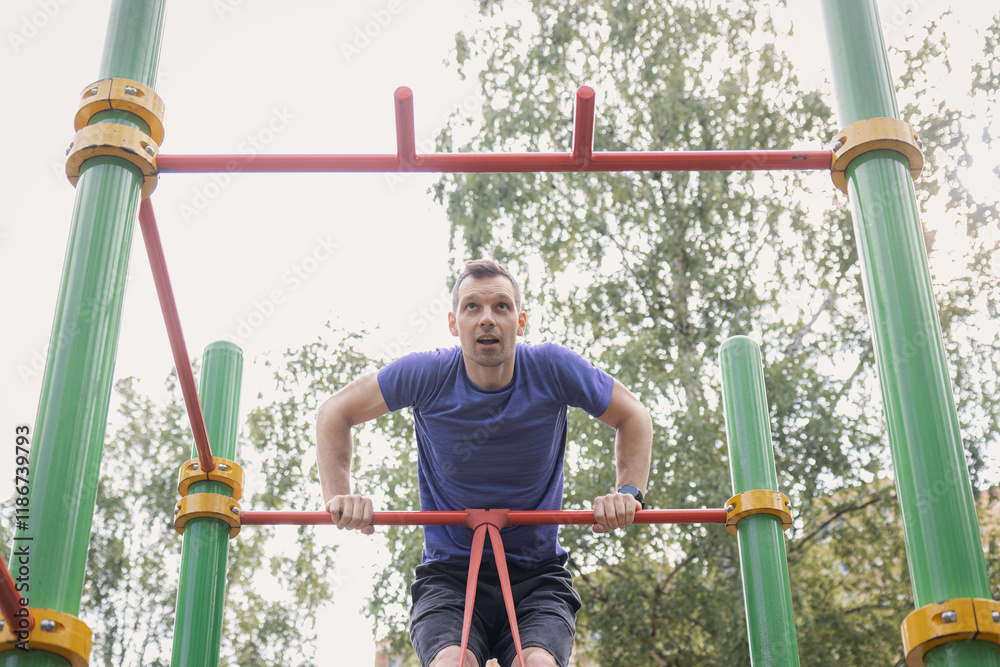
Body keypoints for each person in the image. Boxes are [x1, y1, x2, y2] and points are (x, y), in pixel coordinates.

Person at [317, 259, 652, 667]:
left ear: (520, 321)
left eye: (501, 307)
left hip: (537, 576)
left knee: (539, 664)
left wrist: (628, 493)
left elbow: (633, 415)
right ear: (453, 323)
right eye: (472, 307)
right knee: (451, 663)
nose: (487, 319)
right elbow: (335, 412)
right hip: (450, 577)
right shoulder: (428, 374)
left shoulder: (551, 368)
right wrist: (340, 497)